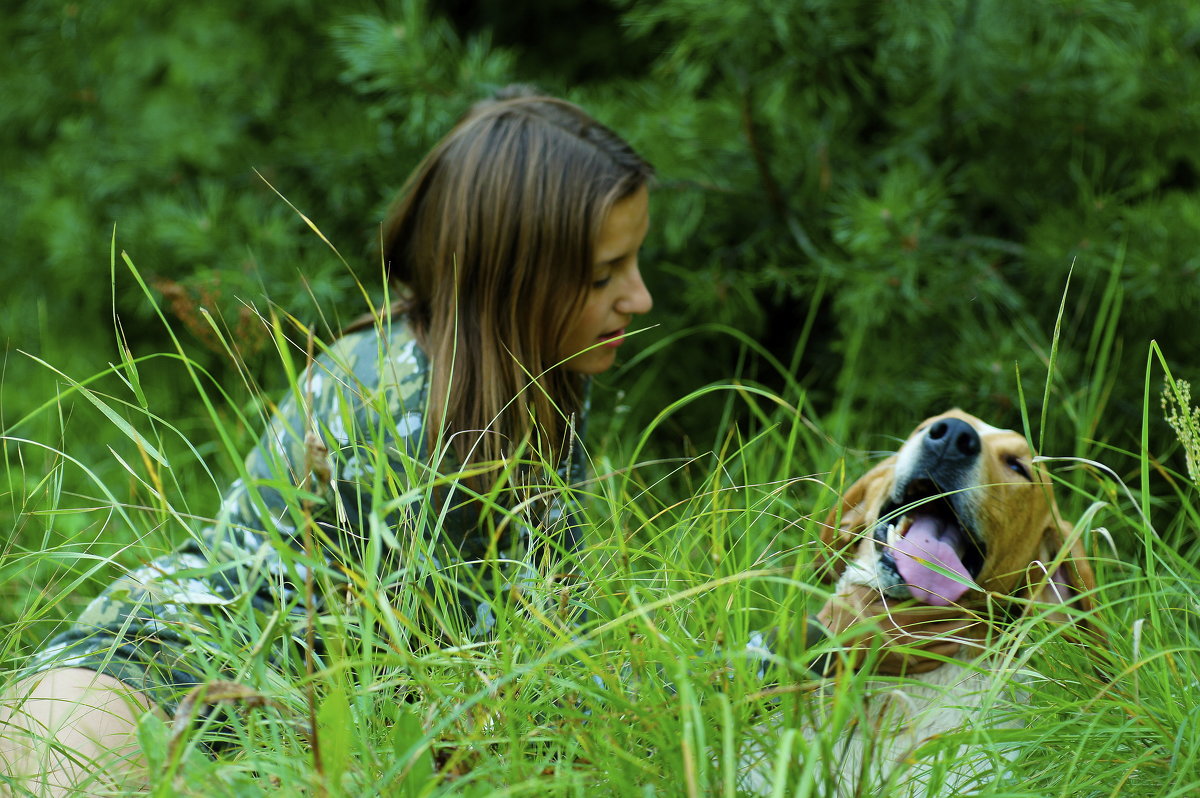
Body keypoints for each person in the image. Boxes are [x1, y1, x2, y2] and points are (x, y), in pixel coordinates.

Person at [0, 86, 655, 794]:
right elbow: (480, 700)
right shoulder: (404, 407)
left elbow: (543, 643)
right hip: (151, 686)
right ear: (508, 279)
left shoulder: (531, 377)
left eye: (631, 262)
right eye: (601, 275)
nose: (639, 297)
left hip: (251, 716)